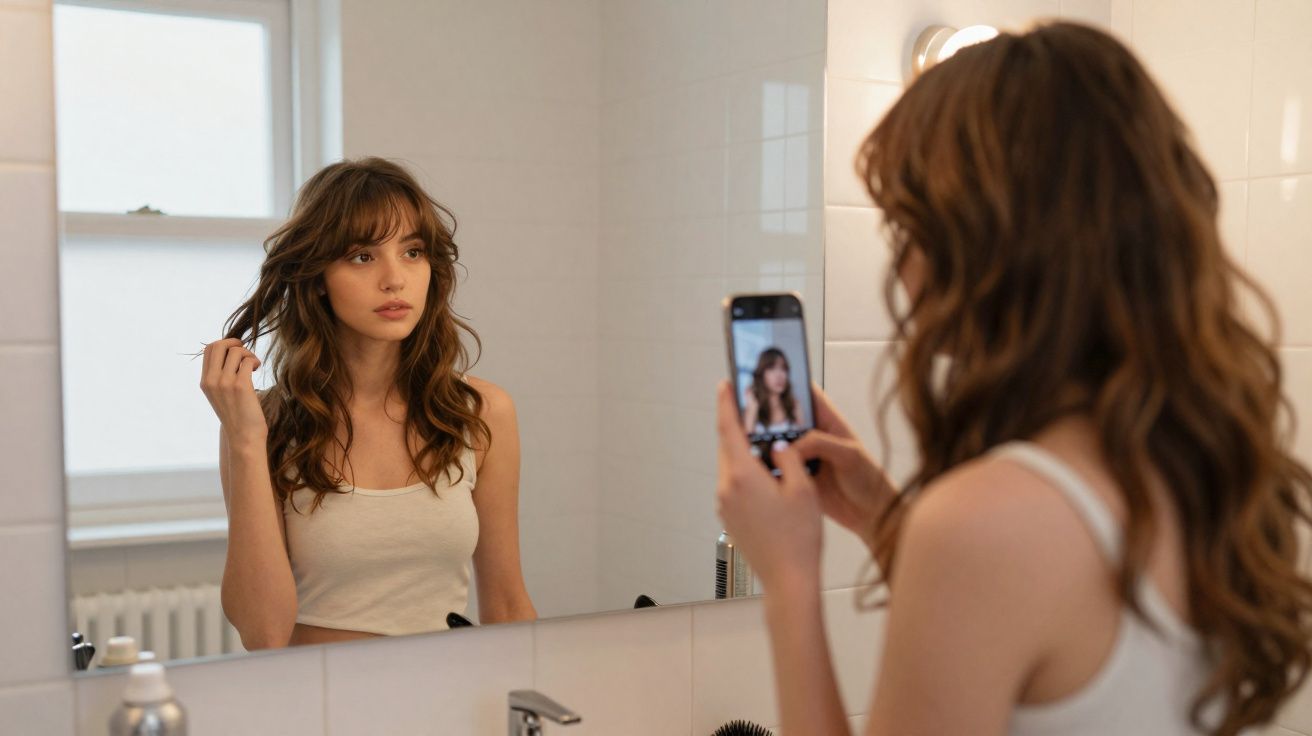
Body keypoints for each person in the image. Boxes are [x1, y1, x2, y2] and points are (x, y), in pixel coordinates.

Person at [716, 22, 1312, 736]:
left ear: (982, 242)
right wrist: (886, 517)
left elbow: (1005, 573)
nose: (900, 266)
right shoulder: (1201, 470)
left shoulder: (982, 524)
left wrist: (787, 579)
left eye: (909, 227)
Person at [200, 157, 536, 649]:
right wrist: (246, 441)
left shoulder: (481, 414)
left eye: (413, 252)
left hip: (442, 701)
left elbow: (506, 604)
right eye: (362, 256)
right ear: (317, 276)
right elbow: (263, 633)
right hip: (317, 706)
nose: (395, 279)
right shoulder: (263, 423)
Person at [742, 347, 807, 435]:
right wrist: (753, 408)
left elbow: (803, 441)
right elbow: (746, 443)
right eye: (772, 369)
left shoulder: (794, 405)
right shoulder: (752, 407)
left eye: (783, 369)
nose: (779, 375)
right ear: (762, 374)